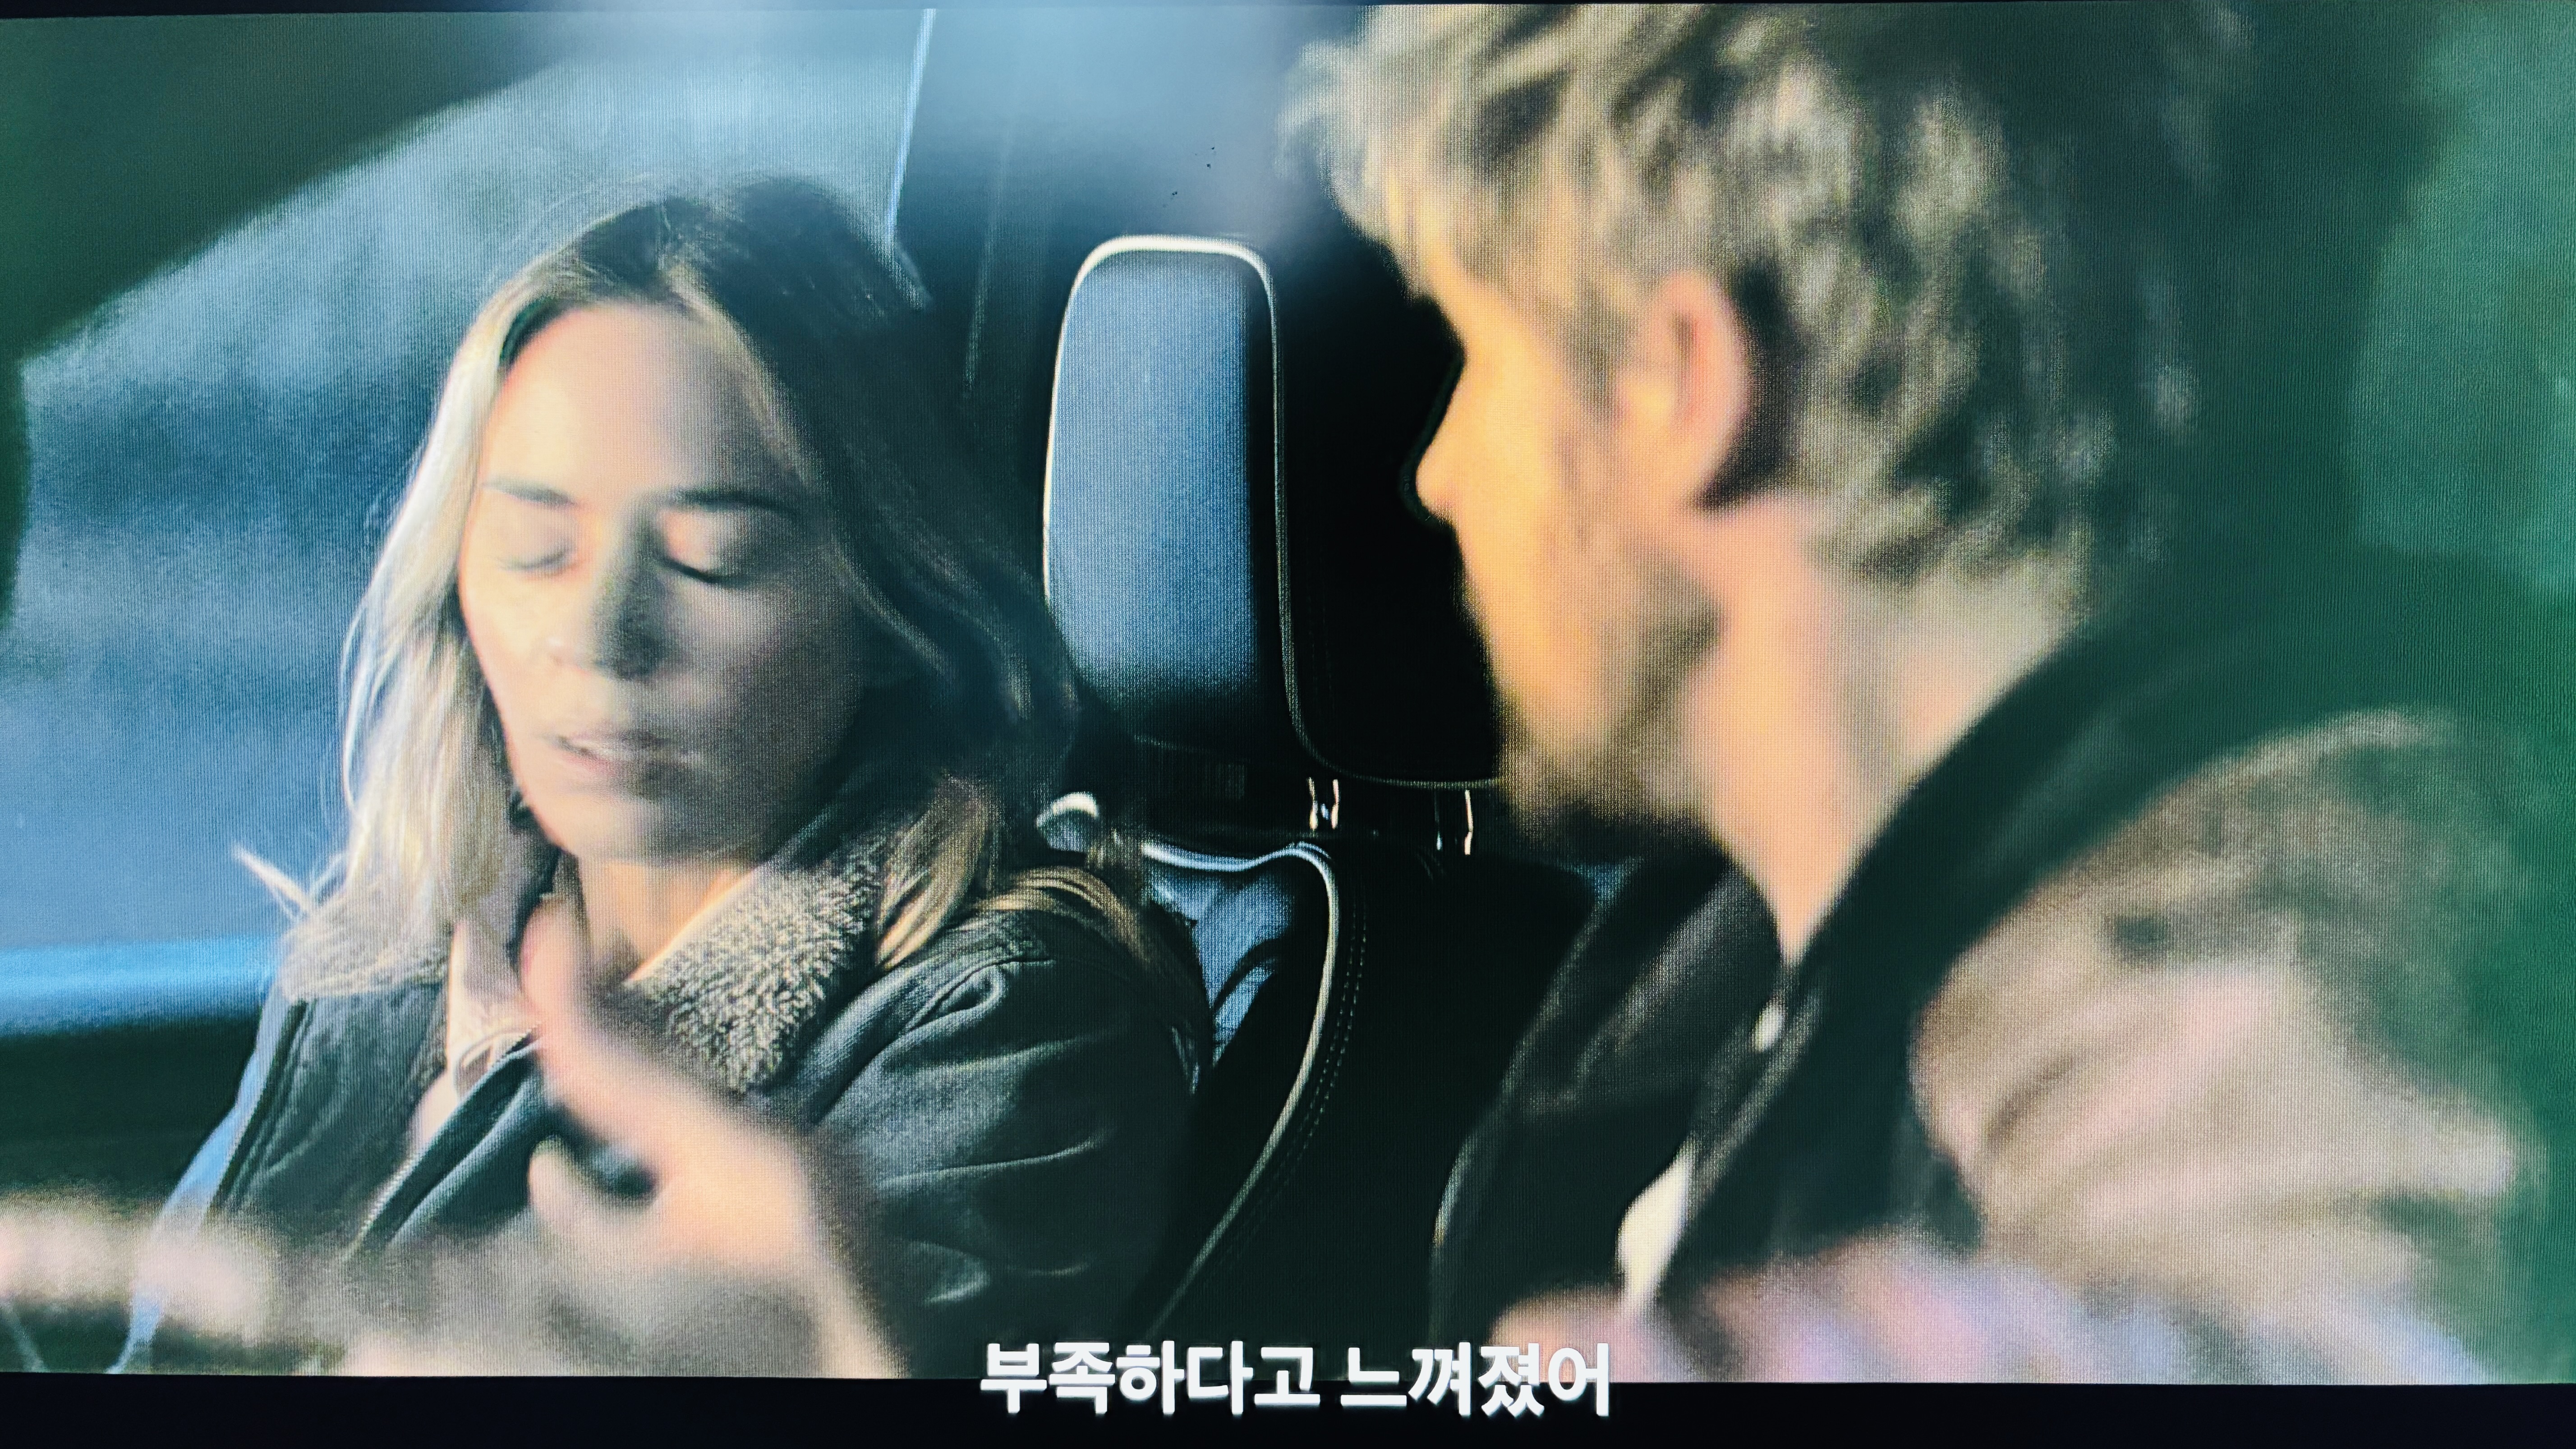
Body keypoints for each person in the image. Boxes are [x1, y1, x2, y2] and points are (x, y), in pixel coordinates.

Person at [1282, 2, 2576, 1380]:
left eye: (1478, 354)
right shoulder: (1736, 949)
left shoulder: (2260, 934)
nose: (1438, 473)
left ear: (1685, 382)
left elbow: (2348, 1341)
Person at [112, 179, 1209, 1378]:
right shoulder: (395, 961)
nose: (599, 635)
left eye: (712, 558)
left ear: (897, 613)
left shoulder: (1010, 1028)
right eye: (536, 547)